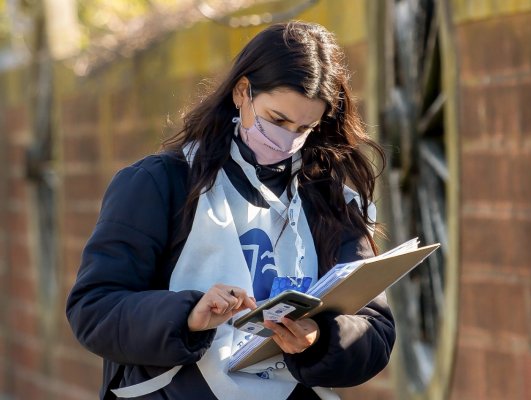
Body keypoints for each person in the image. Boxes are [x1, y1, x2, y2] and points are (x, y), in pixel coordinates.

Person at [66, 21, 395, 400]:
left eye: (305, 127)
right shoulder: (159, 183)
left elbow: (376, 332)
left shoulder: (332, 201)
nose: (288, 139)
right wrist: (187, 316)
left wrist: (319, 339)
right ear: (242, 92)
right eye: (277, 119)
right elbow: (93, 310)